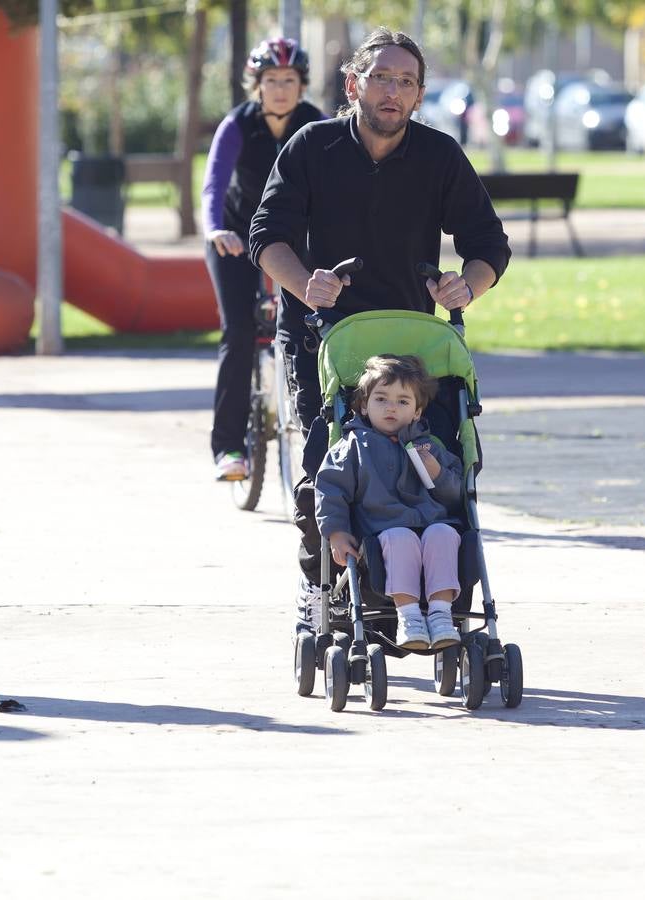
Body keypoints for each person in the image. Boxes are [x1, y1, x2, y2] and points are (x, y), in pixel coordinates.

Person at [247, 28, 510, 602]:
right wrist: (303, 284)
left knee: (428, 463)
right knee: (328, 465)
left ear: (419, 96)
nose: (393, 91)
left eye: (406, 82)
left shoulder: (439, 154)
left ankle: (434, 590)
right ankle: (321, 580)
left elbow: (489, 242)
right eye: (381, 78)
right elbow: (266, 235)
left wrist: (467, 285)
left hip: (406, 340)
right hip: (322, 334)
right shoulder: (312, 146)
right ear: (353, 85)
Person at [201, 37, 325, 481]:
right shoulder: (238, 124)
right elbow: (214, 185)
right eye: (271, 80)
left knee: (314, 328)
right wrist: (215, 229)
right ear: (257, 85)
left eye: (289, 80)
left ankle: (321, 438)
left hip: (288, 243)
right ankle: (229, 447)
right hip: (233, 240)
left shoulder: (315, 125)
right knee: (238, 332)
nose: (279, 88)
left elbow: (337, 186)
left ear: (302, 85)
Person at [315, 355, 464, 650]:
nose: (391, 407)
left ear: (418, 412)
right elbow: (331, 490)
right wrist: (336, 532)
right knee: (400, 538)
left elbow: (457, 496)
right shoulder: (354, 447)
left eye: (403, 402)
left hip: (432, 524)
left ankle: (441, 615)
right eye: (381, 399)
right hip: (381, 533)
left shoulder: (430, 447)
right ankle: (409, 617)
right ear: (363, 406)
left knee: (446, 534)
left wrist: (437, 472)